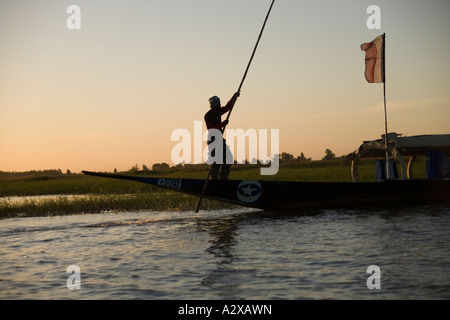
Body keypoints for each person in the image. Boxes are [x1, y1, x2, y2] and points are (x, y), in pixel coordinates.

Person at [204, 92, 240, 180]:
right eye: (219, 103)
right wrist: (222, 124)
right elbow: (210, 128)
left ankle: (223, 178)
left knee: (228, 159)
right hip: (213, 141)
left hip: (220, 140)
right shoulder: (208, 115)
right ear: (215, 105)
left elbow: (228, 107)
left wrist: (233, 97)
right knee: (216, 162)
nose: (220, 104)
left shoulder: (219, 111)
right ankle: (214, 182)